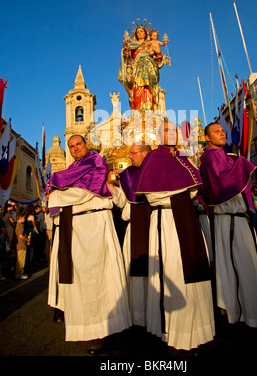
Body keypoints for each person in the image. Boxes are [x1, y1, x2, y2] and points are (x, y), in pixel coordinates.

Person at [134, 121, 215, 352]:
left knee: (194, 273)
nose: (172, 134)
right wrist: (182, 192)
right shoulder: (153, 158)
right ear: (159, 135)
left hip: (187, 220)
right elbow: (153, 196)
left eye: (174, 131)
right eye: (167, 130)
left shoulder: (183, 159)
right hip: (168, 222)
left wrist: (184, 193)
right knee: (175, 273)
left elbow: (195, 188)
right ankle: (175, 332)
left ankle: (198, 328)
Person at [46, 134, 131, 354]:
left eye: (78, 144)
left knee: (101, 279)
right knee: (83, 281)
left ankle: (109, 329)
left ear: (86, 145)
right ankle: (93, 331)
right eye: (71, 146)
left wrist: (57, 195)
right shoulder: (71, 171)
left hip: (96, 225)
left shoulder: (95, 163)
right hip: (75, 228)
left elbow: (80, 193)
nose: (75, 149)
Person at [200, 122, 257, 329]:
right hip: (230, 220)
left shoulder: (224, 156)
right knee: (243, 267)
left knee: (247, 267)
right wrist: (240, 163)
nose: (222, 134)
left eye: (223, 131)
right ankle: (249, 316)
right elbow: (224, 184)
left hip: (239, 219)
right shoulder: (211, 157)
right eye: (216, 132)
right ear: (207, 138)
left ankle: (248, 313)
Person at [107, 143, 151, 328]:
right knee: (133, 273)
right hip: (133, 228)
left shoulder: (156, 171)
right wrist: (110, 185)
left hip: (154, 225)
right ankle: (137, 316)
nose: (129, 157)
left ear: (144, 153)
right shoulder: (127, 175)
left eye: (132, 154)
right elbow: (121, 202)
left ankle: (153, 313)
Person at [118, 26, 164, 111]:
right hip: (137, 69)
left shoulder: (150, 45)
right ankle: (139, 110)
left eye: (141, 31)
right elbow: (127, 57)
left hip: (150, 69)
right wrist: (126, 50)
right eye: (138, 32)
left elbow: (158, 60)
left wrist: (159, 55)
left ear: (146, 34)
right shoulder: (133, 46)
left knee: (149, 89)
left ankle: (150, 109)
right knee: (138, 88)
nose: (139, 33)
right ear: (136, 35)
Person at [15, 207, 30, 280]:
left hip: (20, 245)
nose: (24, 219)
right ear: (20, 218)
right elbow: (21, 236)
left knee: (20, 259)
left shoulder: (18, 225)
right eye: (24, 218)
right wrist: (27, 239)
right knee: (21, 260)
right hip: (21, 245)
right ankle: (19, 274)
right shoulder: (20, 226)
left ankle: (20, 273)